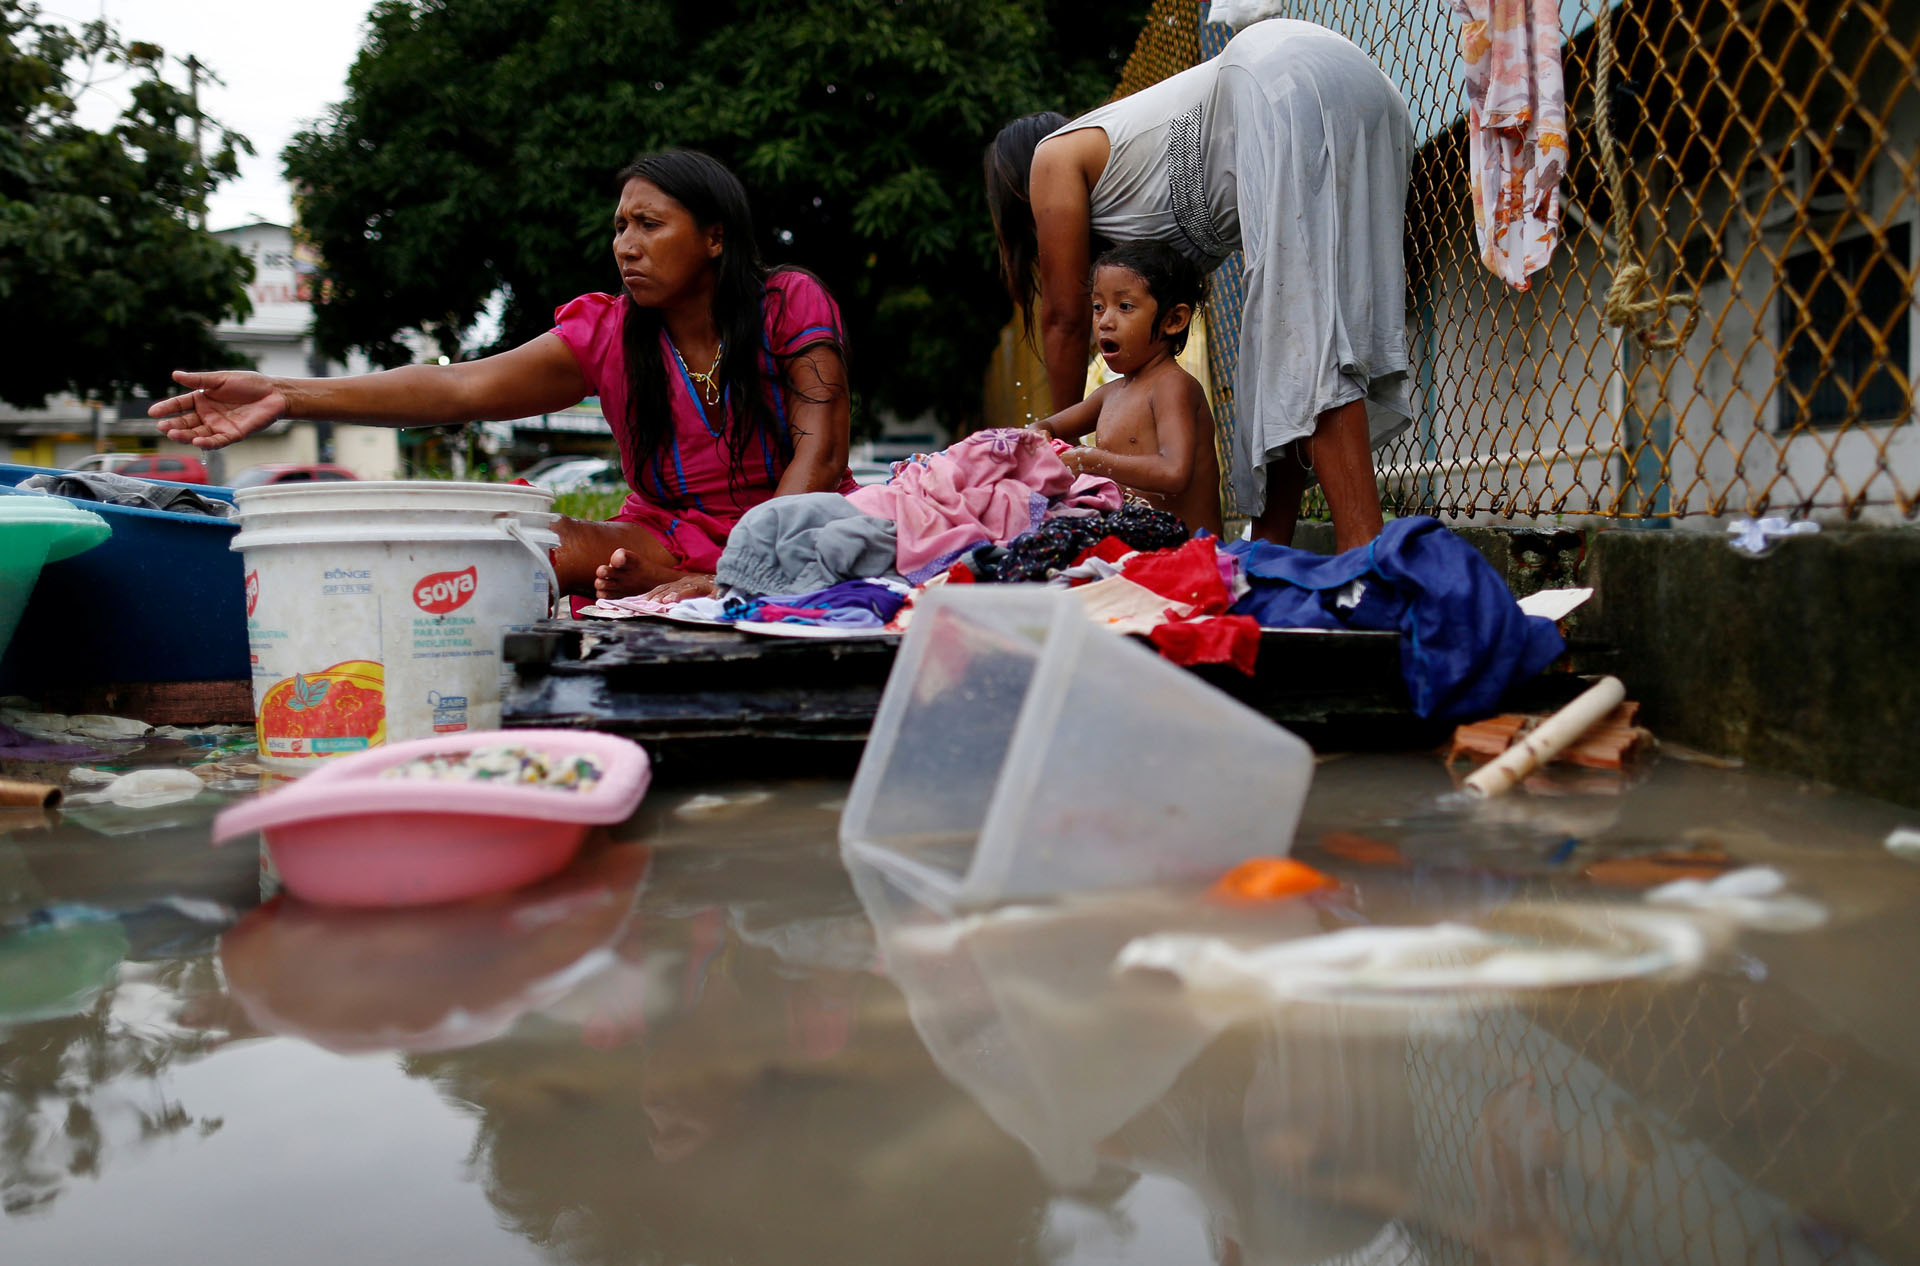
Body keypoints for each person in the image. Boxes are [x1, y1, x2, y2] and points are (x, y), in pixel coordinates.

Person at [151, 150, 854, 601]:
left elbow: (819, 458)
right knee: (531, 539)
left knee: (800, 556)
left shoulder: (788, 301)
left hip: (794, 526)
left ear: (715, 236)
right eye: (618, 228)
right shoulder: (607, 331)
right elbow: (460, 386)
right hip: (664, 535)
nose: (625, 247)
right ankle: (670, 584)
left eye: (648, 224)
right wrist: (289, 396)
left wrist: (731, 579)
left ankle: (685, 588)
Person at [986, 19, 1413, 551]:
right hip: (1372, 92)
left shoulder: (1052, 157)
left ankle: (1365, 566)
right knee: (1291, 356)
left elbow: (1063, 318)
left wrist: (1061, 469)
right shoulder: (1139, 229)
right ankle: (1270, 552)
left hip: (1276, 80)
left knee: (1310, 352)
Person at [1029, 242, 1222, 538]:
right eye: (1097, 307)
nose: (1105, 321)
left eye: (1125, 307)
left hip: (1187, 552)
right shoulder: (1110, 393)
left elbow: (1174, 472)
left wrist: (1090, 460)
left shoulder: (1172, 386)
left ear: (1174, 320)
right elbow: (1049, 425)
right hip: (1137, 550)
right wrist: (1037, 433)